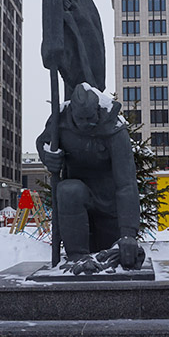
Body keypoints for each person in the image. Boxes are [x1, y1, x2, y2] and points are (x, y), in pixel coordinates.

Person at [37, 83, 143, 270]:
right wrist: (48, 157)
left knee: (112, 254)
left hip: (111, 204)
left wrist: (128, 233)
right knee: (68, 190)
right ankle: (76, 257)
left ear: (98, 110)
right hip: (78, 198)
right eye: (80, 119)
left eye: (90, 118)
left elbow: (126, 183)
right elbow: (43, 142)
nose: (86, 123)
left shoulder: (115, 130)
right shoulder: (59, 122)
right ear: (72, 114)